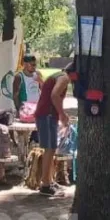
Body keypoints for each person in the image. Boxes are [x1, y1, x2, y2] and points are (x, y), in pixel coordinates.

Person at [34, 64, 71, 197]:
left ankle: (49, 180)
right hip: (47, 115)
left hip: (47, 115)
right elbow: (54, 95)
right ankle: (45, 185)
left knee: (52, 148)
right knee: (49, 148)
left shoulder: (55, 76)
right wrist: (62, 114)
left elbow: (46, 90)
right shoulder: (64, 78)